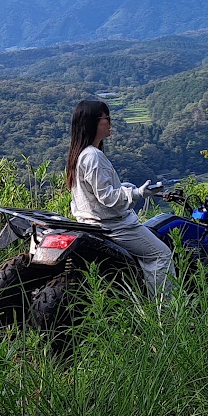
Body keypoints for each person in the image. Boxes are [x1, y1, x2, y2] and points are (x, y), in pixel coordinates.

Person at [66, 99, 173, 295]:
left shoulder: (81, 153)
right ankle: (164, 313)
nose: (110, 123)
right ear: (93, 123)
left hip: (91, 222)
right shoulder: (93, 156)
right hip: (113, 225)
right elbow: (107, 197)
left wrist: (125, 187)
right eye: (107, 118)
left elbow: (96, 191)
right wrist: (138, 193)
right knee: (161, 254)